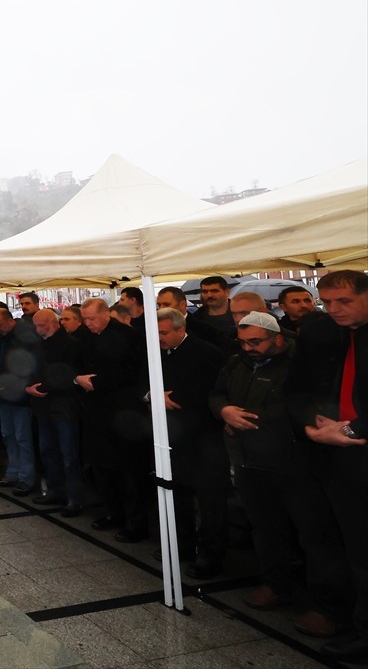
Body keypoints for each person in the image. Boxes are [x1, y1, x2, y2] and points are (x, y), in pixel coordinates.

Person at [211, 311, 351, 638]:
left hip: (294, 463)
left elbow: (303, 405)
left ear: (277, 338)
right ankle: (275, 585)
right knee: (265, 526)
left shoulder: (298, 363)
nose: (248, 348)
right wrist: (224, 410)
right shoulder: (236, 363)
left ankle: (327, 606)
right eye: (243, 342)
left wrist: (248, 418)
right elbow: (217, 393)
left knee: (314, 535)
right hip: (249, 460)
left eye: (255, 341)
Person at [287, 270, 368, 662]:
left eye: (344, 301)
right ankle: (341, 615)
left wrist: (352, 429)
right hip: (325, 455)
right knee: (338, 544)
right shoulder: (320, 333)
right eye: (327, 301)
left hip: (360, 447)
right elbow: (297, 387)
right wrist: (310, 427)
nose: (333, 309)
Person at [156, 308, 227, 579]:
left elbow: (207, 391)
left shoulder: (207, 353)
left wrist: (172, 398)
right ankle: (182, 544)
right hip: (172, 436)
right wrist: (152, 394)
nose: (159, 338)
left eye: (163, 333)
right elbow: (143, 380)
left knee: (210, 500)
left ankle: (210, 556)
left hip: (203, 437)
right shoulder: (157, 351)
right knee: (176, 493)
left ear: (180, 329)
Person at [76, 297, 150, 543]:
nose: (88, 324)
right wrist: (78, 379)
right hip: (96, 413)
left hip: (124, 414)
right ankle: (113, 512)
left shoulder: (128, 337)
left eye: (92, 319)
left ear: (106, 314)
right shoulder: (85, 336)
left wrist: (94, 382)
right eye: (85, 319)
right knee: (102, 468)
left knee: (129, 472)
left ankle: (136, 522)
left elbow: (130, 372)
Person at [26, 309, 84, 516]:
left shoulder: (71, 344)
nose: (37, 329)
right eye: (36, 325)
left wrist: (40, 388)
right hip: (44, 405)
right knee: (48, 451)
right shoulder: (38, 345)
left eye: (40, 325)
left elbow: (68, 375)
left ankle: (74, 498)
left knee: (69, 454)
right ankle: (55, 490)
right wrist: (28, 387)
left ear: (52, 323)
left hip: (64, 405)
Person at [0, 306, 37, 493]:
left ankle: (26, 477)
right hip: (3, 395)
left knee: (23, 437)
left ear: (10, 320)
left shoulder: (24, 337)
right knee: (8, 435)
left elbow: (27, 366)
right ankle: (13, 471)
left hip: (20, 395)